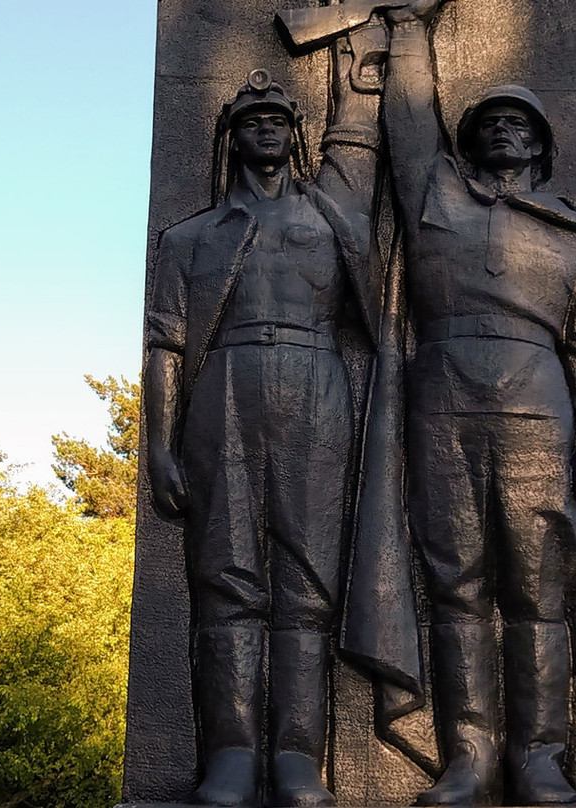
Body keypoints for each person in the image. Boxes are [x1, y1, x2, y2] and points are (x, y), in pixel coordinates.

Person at [381, 1, 576, 804]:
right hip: (442, 401)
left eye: (522, 123)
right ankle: (470, 758)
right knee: (456, 586)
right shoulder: (434, 195)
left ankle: (540, 757)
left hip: (540, 412)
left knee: (536, 592)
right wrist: (410, 28)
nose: (505, 130)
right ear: (471, 138)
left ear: (543, 145)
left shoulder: (574, 240)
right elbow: (410, 121)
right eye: (491, 120)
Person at [143, 50, 382, 808]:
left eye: (279, 121)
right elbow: (165, 347)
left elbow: (381, 325)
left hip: (317, 389)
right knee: (227, 579)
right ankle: (232, 753)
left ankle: (298, 757)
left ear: (296, 135)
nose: (268, 132)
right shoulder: (189, 239)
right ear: (233, 139)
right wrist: (157, 444)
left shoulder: (333, 221)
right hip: (225, 391)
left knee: (308, 583)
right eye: (253, 123)